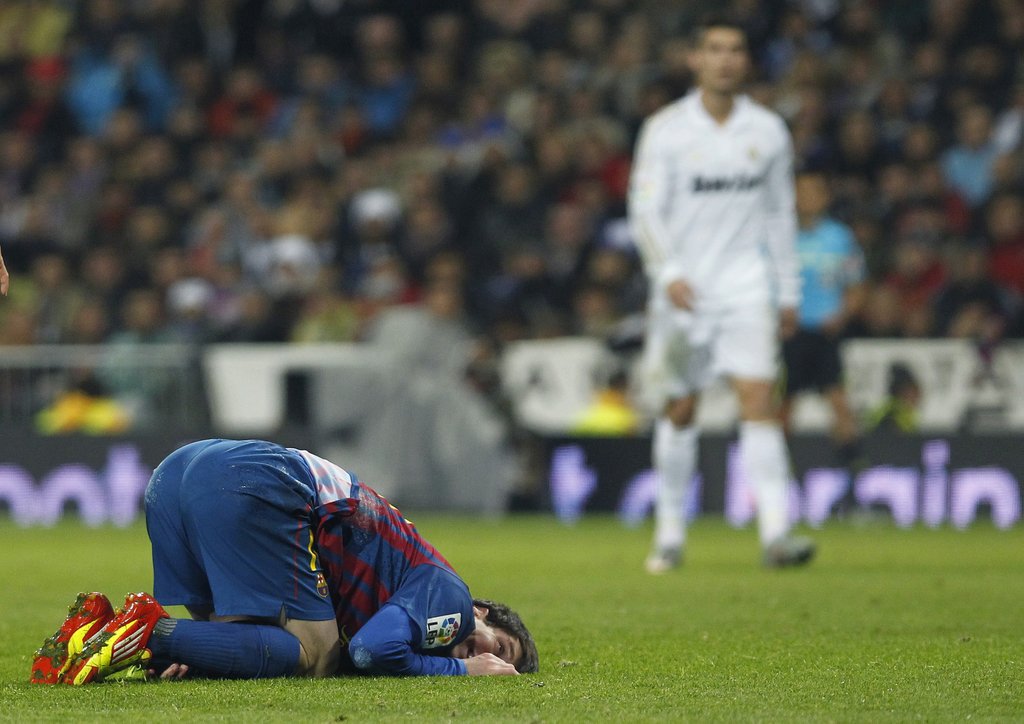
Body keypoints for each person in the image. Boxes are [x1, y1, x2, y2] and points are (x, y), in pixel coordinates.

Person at [31, 438, 538, 685]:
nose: (487, 656)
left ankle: (101, 633)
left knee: (255, 644)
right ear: (482, 611)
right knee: (318, 658)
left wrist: (202, 657)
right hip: (257, 479)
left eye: (499, 663)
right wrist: (463, 671)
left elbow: (378, 647)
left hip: (176, 473)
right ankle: (150, 633)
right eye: (500, 648)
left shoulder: (409, 595)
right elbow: (371, 651)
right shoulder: (450, 597)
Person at [628, 16, 814, 573]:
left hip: (745, 285)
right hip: (682, 290)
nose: (726, 59)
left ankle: (776, 533)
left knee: (758, 398)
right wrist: (667, 273)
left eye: (735, 50)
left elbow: (780, 214)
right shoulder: (666, 129)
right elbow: (645, 209)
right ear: (695, 59)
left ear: (746, 61)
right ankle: (669, 534)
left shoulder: (768, 130)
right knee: (680, 407)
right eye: (715, 49)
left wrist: (788, 289)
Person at [780, 170, 866, 463]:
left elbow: (856, 284)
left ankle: (851, 467)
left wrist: (842, 316)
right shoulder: (779, 237)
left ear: (825, 197)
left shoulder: (840, 238)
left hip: (825, 333)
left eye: (813, 192)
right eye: (800, 192)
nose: (806, 198)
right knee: (782, 405)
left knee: (839, 402)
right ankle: (775, 471)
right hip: (789, 334)